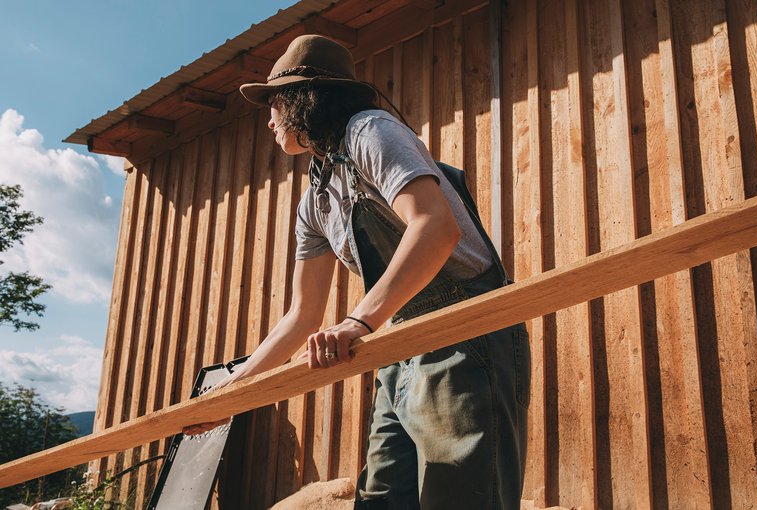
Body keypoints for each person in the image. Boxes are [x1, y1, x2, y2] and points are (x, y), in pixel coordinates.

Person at [183, 34, 530, 510]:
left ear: (303, 98)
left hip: (465, 335)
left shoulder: (370, 131)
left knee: (462, 499)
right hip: (400, 348)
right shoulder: (316, 203)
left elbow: (434, 227)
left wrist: (356, 322)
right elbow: (302, 316)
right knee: (382, 499)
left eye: (274, 103)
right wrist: (231, 392)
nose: (268, 119)